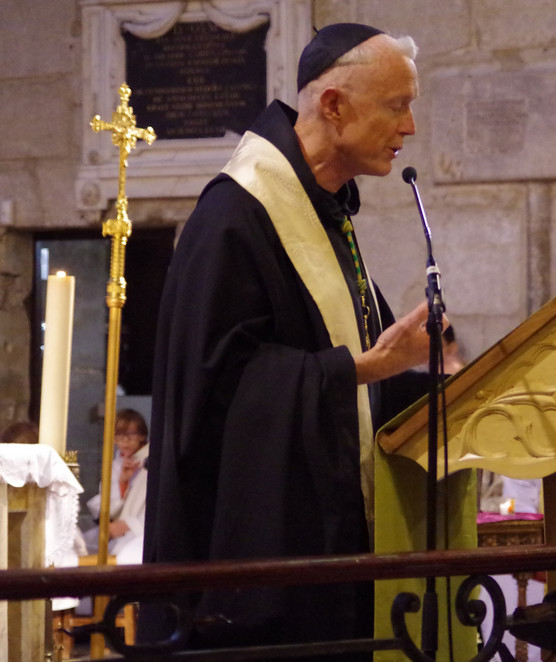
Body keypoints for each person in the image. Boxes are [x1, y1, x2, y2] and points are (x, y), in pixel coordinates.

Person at [143, 23, 438, 654]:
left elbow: (351, 373)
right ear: (334, 106)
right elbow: (213, 389)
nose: (409, 127)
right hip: (257, 570)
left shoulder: (324, 210)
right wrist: (356, 370)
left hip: (329, 549)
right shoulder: (234, 217)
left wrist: (430, 383)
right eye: (397, 105)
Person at [83, 409, 149, 565]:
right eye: (119, 435)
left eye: (131, 435)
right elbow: (107, 507)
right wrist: (122, 483)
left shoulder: (151, 462)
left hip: (140, 532)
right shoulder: (115, 465)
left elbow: (161, 507)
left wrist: (129, 525)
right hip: (117, 531)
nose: (124, 441)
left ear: (142, 436)